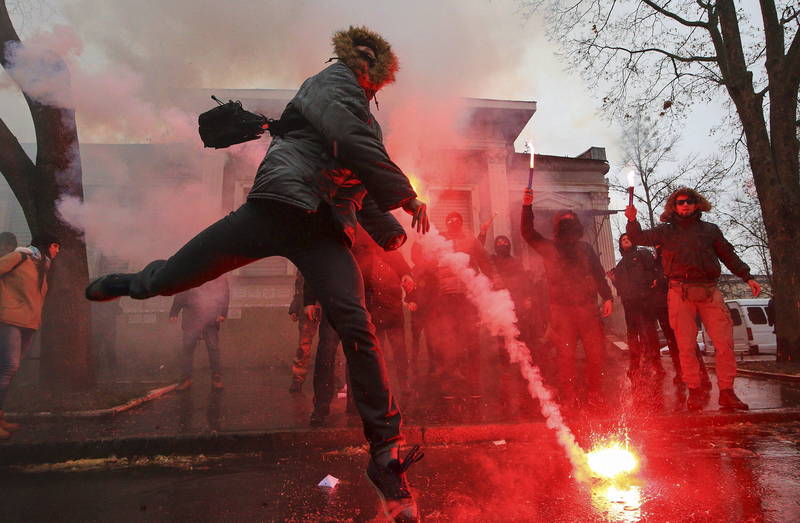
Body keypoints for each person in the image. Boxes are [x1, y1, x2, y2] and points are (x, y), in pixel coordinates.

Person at [85, 26, 429, 520]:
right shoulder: (331, 83)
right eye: (368, 73)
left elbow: (363, 186)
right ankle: (132, 283)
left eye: (375, 80)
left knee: (357, 326)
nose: (370, 83)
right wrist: (407, 193)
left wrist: (393, 234)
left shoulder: (364, 119)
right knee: (173, 279)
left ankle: (385, 456)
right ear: (360, 65)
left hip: (324, 231)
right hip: (275, 207)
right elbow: (349, 139)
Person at [625, 187, 760, 411]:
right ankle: (695, 392)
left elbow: (727, 254)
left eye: (689, 201)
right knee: (686, 346)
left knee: (724, 345)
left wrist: (747, 277)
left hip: (709, 291)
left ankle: (727, 392)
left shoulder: (710, 230)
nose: (684, 205)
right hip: (680, 292)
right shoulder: (665, 232)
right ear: (674, 206)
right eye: (680, 202)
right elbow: (638, 237)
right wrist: (632, 220)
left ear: (697, 204)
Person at [521, 189, 613, 410]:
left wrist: (607, 297)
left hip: (587, 309)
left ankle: (594, 393)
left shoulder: (585, 248)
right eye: (564, 220)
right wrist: (527, 207)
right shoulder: (549, 248)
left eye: (571, 219)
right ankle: (569, 395)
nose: (568, 222)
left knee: (596, 354)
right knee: (566, 357)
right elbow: (528, 232)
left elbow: (599, 273)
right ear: (557, 226)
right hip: (561, 311)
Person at [0, 233, 60, 439]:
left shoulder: (41, 267)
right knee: (8, 367)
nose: (57, 251)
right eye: (55, 246)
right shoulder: (20, 257)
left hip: (28, 323)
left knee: (9, 370)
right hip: (9, 319)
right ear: (47, 246)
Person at [432, 211, 494, 398]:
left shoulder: (470, 241)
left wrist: (493, 280)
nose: (453, 223)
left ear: (461, 222)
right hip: (446, 298)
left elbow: (484, 260)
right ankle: (450, 385)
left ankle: (473, 384)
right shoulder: (440, 240)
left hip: (467, 298)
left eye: (456, 220)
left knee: (471, 342)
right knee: (449, 343)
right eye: (449, 220)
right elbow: (427, 262)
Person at [609, 234, 663, 383]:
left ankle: (655, 364)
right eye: (622, 240)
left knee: (649, 332)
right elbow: (620, 288)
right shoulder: (620, 265)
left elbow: (653, 270)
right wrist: (614, 280)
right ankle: (635, 365)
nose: (625, 241)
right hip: (629, 303)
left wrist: (652, 282)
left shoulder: (642, 254)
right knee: (632, 334)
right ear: (620, 245)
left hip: (645, 299)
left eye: (628, 239)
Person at [169, 275, 229, 390]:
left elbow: (224, 293)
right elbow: (181, 293)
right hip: (191, 317)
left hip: (211, 316)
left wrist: (222, 312)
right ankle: (186, 379)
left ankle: (216, 377)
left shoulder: (219, 272)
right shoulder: (189, 271)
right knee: (187, 348)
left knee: (213, 348)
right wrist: (174, 312)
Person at [287, 273, 319, 393]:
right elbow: (299, 287)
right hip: (308, 306)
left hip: (325, 305)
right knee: (303, 346)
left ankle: (335, 378)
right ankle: (298, 378)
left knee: (331, 346)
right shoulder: (305, 261)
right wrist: (295, 306)